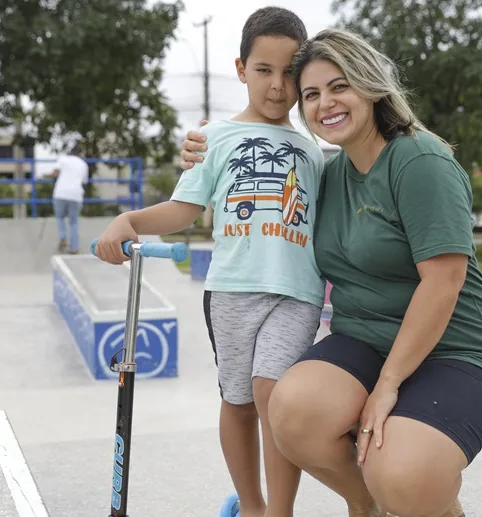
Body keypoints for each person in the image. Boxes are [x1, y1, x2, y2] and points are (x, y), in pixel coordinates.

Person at [178, 28, 482, 517]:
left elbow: (444, 281)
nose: (325, 103)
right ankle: (364, 503)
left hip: (455, 348)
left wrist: (388, 384)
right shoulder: (327, 174)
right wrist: (211, 143)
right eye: (312, 94)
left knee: (402, 475)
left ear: (371, 87)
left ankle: (419, 498)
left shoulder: (418, 159)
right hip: (365, 342)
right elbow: (256, 176)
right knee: (291, 411)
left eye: (340, 86)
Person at [92, 7, 326, 517]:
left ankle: (280, 512)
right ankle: (253, 506)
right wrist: (129, 219)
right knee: (238, 401)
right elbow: (184, 209)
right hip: (231, 290)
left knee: (272, 394)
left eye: (289, 72)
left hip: (297, 293)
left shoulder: (316, 151)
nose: (277, 85)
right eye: (263, 70)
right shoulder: (214, 138)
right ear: (241, 69)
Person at [50, 148, 89, 254]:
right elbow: (84, 181)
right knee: (73, 222)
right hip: (76, 194)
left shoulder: (63, 159)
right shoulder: (83, 164)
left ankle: (63, 237)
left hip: (60, 193)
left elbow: (55, 173)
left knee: (60, 217)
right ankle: (74, 248)